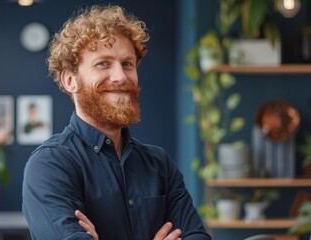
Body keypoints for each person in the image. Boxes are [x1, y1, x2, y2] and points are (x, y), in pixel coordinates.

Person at [22, 5, 211, 240]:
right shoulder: (50, 165)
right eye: (103, 63)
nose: (120, 76)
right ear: (71, 80)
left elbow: (197, 236)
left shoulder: (159, 164)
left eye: (127, 64)